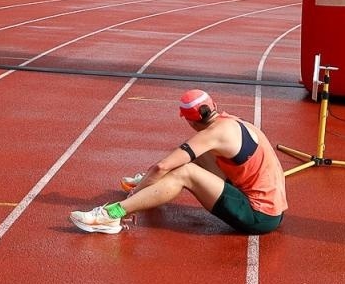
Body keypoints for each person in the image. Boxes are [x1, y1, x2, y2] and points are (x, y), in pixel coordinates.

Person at [70, 90, 287, 236]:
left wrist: (136, 194)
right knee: (193, 154)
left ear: (190, 120)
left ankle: (111, 215)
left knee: (183, 171)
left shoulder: (213, 134)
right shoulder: (234, 123)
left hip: (260, 216)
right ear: (214, 106)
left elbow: (161, 166)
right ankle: (154, 185)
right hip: (272, 207)